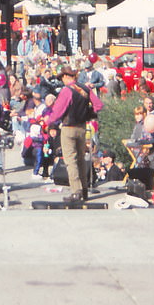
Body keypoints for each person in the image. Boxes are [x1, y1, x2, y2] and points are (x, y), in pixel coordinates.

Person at [46, 65, 103, 203]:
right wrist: (89, 113)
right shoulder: (85, 88)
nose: (62, 81)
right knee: (81, 159)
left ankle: (76, 191)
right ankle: (84, 190)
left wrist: (50, 121)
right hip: (82, 127)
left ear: (66, 77)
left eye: (62, 78)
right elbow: (98, 105)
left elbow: (59, 111)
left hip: (69, 127)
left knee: (70, 160)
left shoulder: (67, 91)